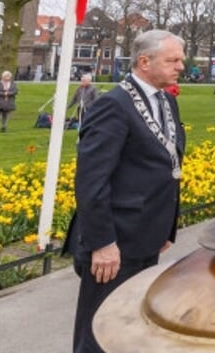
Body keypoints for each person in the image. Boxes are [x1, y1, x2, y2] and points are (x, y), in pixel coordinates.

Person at [65, 30, 186, 353]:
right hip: (114, 241)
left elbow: (166, 164)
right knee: (99, 333)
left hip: (147, 235)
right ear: (144, 62)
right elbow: (91, 181)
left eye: (181, 60)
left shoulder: (167, 101)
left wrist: (166, 225)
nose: (180, 67)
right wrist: (102, 243)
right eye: (172, 60)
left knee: (131, 330)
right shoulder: (113, 106)